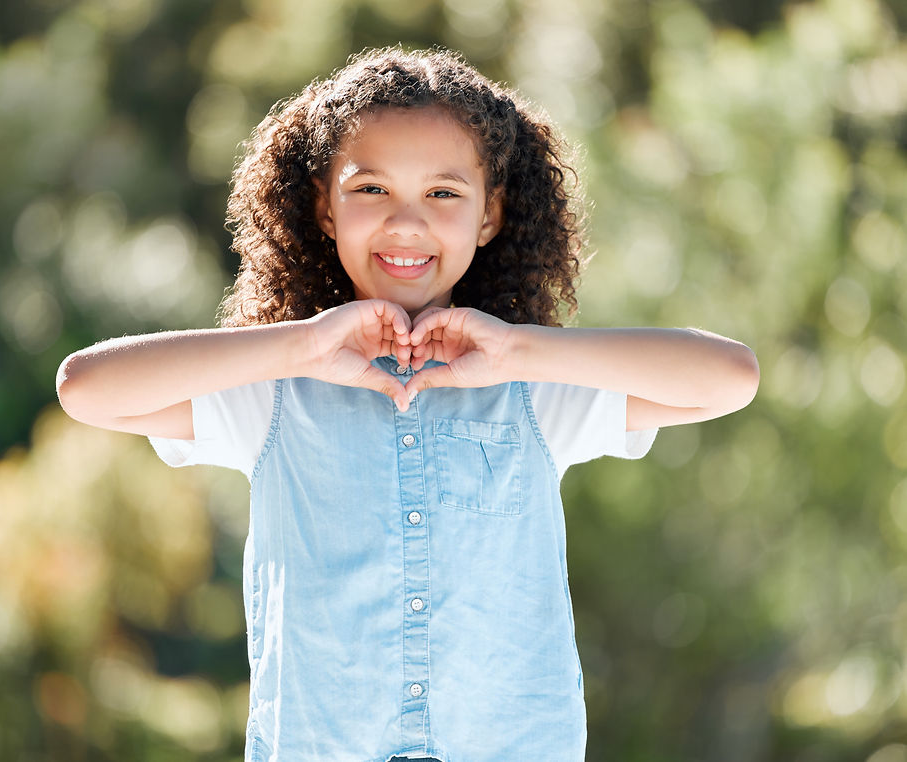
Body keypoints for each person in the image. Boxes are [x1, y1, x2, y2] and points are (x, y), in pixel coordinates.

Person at [56, 47, 759, 762]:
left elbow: (728, 377)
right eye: (371, 191)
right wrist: (298, 347)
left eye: (444, 194)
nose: (406, 224)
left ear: (490, 217)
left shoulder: (536, 391)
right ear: (324, 208)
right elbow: (86, 388)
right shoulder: (272, 393)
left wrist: (522, 350)